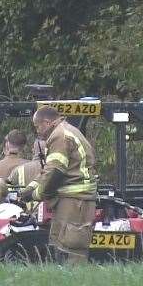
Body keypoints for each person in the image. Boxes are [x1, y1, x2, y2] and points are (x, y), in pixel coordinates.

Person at [22, 106, 99, 264]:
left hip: (75, 199)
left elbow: (56, 172)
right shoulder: (64, 131)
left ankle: (75, 282)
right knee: (61, 244)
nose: (37, 131)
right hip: (72, 199)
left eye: (37, 126)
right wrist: (31, 187)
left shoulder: (59, 136)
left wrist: (36, 195)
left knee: (71, 247)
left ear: (47, 122)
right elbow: (49, 169)